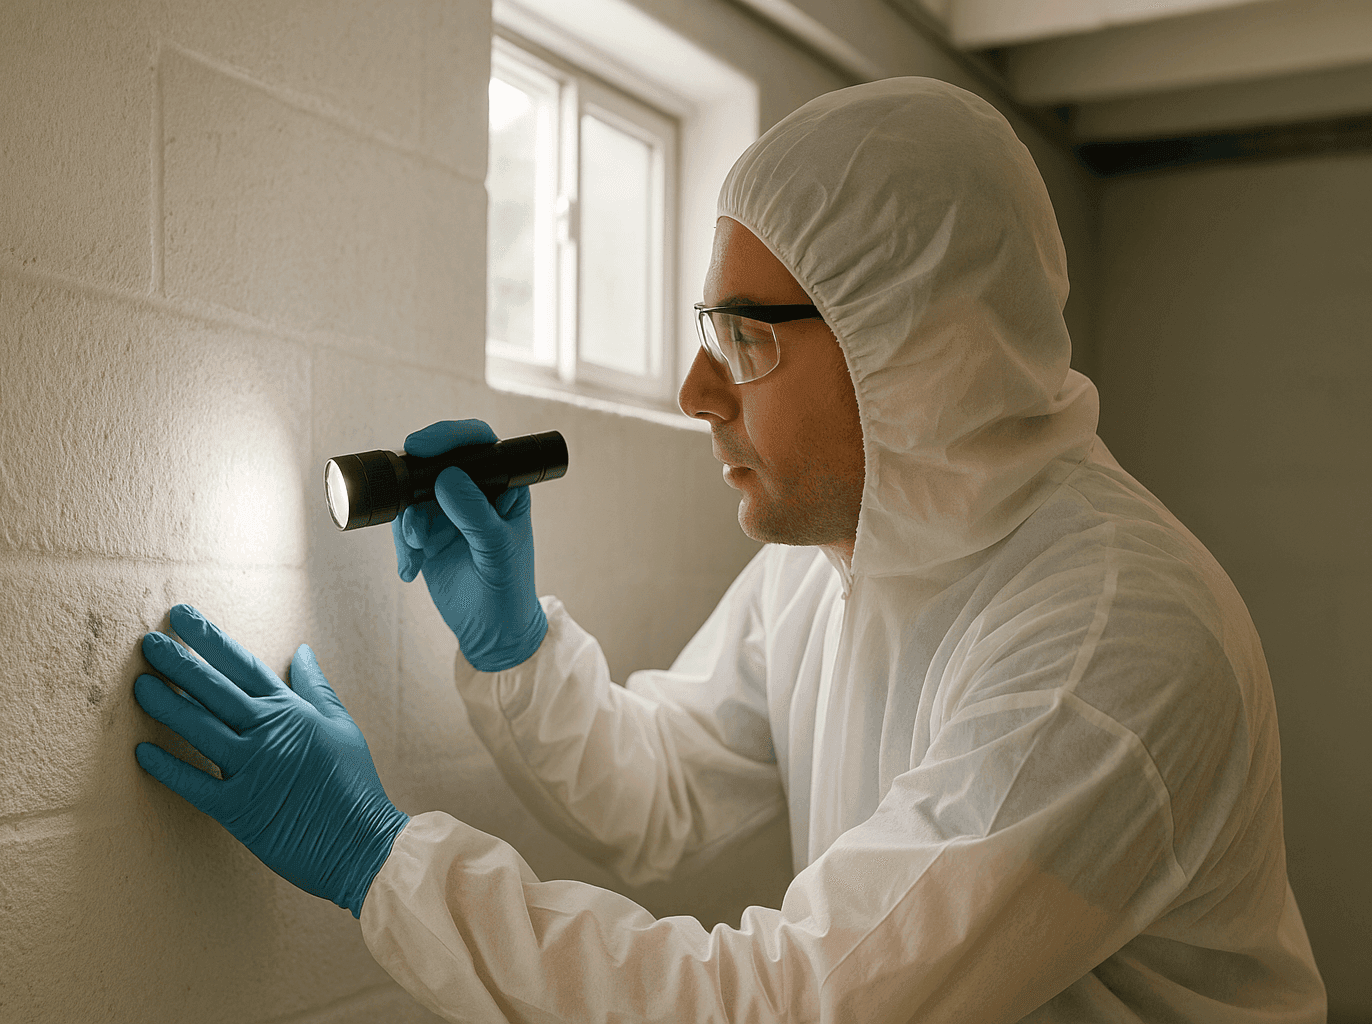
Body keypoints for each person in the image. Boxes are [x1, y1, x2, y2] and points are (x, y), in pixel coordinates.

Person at [132, 77, 1327, 1022]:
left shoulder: (1110, 645)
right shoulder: (840, 556)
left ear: (913, 350)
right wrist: (516, 646)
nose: (695, 389)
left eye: (746, 340)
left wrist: (379, 860)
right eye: (709, 329)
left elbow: (792, 1004)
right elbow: (661, 792)